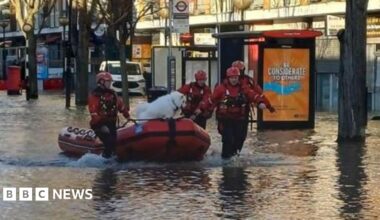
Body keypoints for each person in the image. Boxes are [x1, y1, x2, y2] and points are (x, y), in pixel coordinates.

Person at [211, 67, 267, 159]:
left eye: (236, 78)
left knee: (240, 138)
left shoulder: (243, 88)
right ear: (228, 78)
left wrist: (260, 102)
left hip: (239, 119)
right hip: (226, 119)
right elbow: (211, 100)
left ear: (238, 78)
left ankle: (235, 155)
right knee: (228, 139)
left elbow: (253, 95)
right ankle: (225, 158)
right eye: (232, 78)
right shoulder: (221, 88)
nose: (234, 80)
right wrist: (203, 110)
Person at [88, 72, 130, 158]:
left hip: (111, 123)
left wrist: (128, 116)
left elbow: (121, 106)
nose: (109, 84)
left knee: (113, 141)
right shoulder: (95, 96)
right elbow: (94, 113)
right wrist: (101, 124)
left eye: (110, 82)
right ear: (101, 82)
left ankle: (113, 157)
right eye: (108, 82)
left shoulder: (113, 94)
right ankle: (105, 159)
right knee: (108, 140)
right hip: (99, 124)